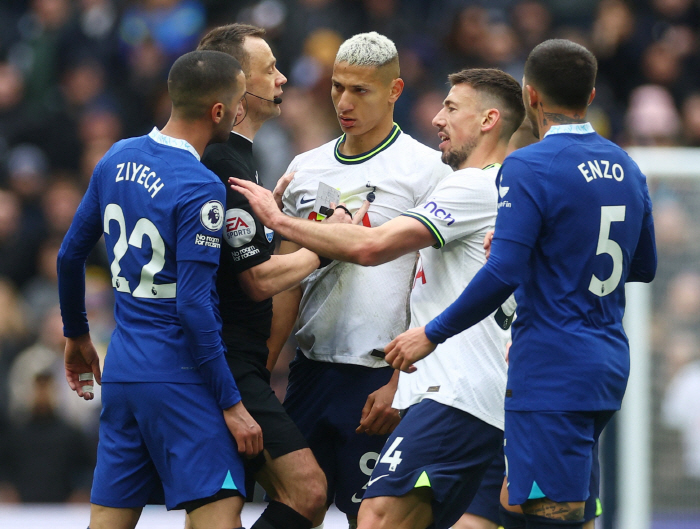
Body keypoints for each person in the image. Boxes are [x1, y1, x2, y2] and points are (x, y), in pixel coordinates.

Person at [232, 67, 524, 529]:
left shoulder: (470, 186)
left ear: (488, 120)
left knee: (376, 517)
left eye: (450, 108)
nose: (437, 119)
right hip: (448, 390)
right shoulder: (498, 190)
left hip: (454, 393)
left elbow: (371, 246)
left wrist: (280, 220)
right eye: (336, 87)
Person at [383, 39, 657, 529]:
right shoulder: (628, 167)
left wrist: (432, 333)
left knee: (548, 512)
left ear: (530, 95)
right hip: (607, 361)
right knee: (539, 502)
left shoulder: (529, 166)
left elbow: (503, 271)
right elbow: (642, 266)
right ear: (591, 95)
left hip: (549, 362)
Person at [56, 50, 263, 529]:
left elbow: (69, 257)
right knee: (219, 510)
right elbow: (192, 306)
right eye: (237, 104)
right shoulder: (199, 186)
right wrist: (232, 405)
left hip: (123, 372)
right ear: (218, 112)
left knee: (108, 520)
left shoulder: (116, 156)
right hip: (180, 376)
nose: (239, 113)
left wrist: (77, 336)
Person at [258, 32, 452, 527]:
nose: (345, 102)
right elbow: (287, 286)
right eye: (338, 87)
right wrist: (263, 372)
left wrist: (399, 383)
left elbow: (438, 286)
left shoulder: (427, 171)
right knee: (292, 507)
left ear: (395, 90)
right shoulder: (306, 168)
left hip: (379, 376)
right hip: (311, 371)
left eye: (361, 91)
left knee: (372, 518)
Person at [195, 23, 327, 529]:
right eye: (269, 69)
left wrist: (279, 219)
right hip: (227, 363)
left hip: (233, 359)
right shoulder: (224, 162)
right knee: (308, 491)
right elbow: (255, 280)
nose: (283, 78)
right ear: (236, 87)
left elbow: (237, 256)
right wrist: (325, 244)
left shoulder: (240, 162)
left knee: (220, 510)